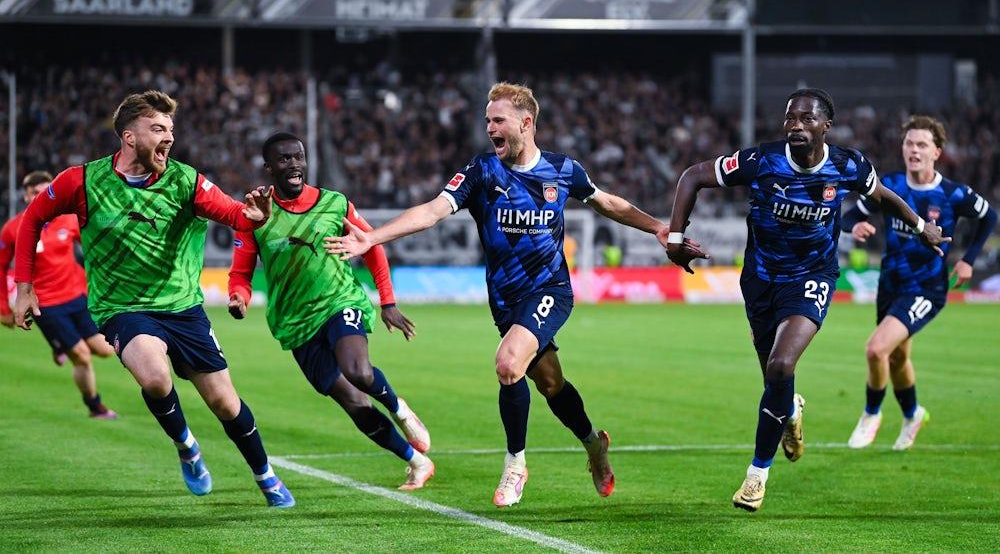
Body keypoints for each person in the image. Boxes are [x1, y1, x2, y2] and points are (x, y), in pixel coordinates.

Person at [326, 82, 706, 507]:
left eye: (498, 119)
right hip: (505, 299)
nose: (489, 127)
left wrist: (657, 226)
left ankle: (515, 464)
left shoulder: (563, 170)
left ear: (526, 123)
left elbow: (607, 203)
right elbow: (432, 211)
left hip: (550, 289)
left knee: (508, 365)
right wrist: (372, 238)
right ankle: (593, 444)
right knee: (549, 382)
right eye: (487, 120)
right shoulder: (482, 172)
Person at [665, 88, 948, 512]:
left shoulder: (847, 166)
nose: (796, 125)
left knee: (781, 364)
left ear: (825, 126)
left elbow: (882, 197)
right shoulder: (760, 161)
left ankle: (756, 476)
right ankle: (790, 409)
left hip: (812, 277)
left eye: (806, 119)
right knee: (774, 382)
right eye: (790, 118)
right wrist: (674, 238)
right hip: (760, 281)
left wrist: (920, 224)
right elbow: (692, 177)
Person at [13, 90, 295, 508]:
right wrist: (24, 287)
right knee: (155, 377)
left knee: (224, 401)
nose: (169, 137)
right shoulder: (82, 181)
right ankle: (186, 445)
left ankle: (266, 475)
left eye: (171, 130)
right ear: (129, 136)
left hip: (183, 308)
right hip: (122, 309)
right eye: (158, 128)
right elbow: (33, 218)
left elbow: (236, 214)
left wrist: (255, 216)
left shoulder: (186, 180)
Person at [228, 132, 434, 490]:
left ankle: (401, 410)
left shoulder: (335, 204)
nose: (293, 164)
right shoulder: (255, 215)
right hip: (295, 323)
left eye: (298, 157)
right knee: (353, 402)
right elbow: (241, 272)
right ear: (269, 167)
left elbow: (371, 247)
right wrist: (238, 297)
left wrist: (387, 301)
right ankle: (416, 461)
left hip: (340, 301)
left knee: (358, 371)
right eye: (284, 159)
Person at [842, 115, 996, 451]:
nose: (914, 149)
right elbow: (850, 215)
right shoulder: (890, 187)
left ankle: (871, 413)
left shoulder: (953, 194)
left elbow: (990, 217)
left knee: (875, 349)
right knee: (897, 358)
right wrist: (853, 227)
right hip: (891, 283)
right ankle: (913, 415)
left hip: (926, 287)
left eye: (922, 144)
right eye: (909, 143)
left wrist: (968, 259)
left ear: (937, 152)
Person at [1, 171, 118, 419]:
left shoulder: (68, 221)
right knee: (82, 357)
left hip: (77, 297)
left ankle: (59, 346)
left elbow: (93, 245)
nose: (39, 197)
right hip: (46, 305)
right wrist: (3, 308)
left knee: (106, 350)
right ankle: (95, 406)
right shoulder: (13, 230)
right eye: (34, 193)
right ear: (25, 197)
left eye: (44, 191)